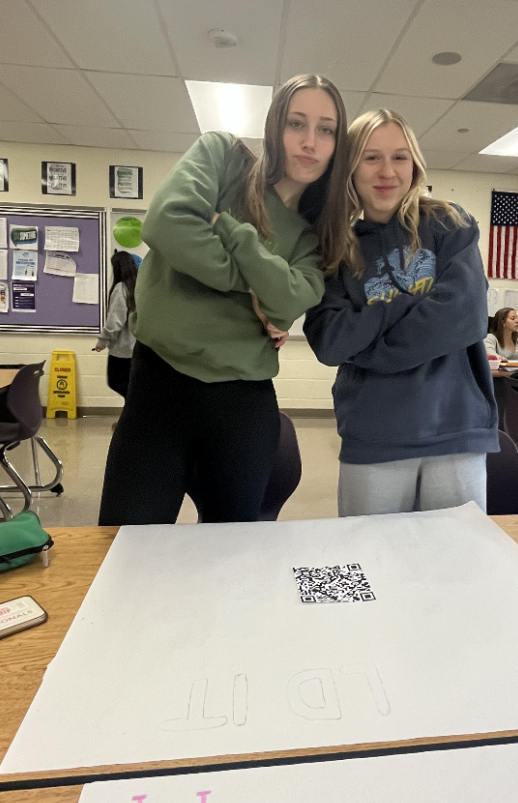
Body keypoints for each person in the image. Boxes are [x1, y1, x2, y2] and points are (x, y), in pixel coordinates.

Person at [98, 74, 352, 526]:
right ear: (274, 126)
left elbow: (287, 303)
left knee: (230, 555)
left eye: (326, 129)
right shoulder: (221, 156)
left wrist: (230, 234)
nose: (310, 141)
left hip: (242, 406)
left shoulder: (313, 237)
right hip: (158, 387)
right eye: (296, 123)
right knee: (122, 545)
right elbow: (166, 224)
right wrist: (254, 284)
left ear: (337, 145)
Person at [303, 107, 498, 517]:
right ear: (350, 168)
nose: (387, 171)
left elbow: (465, 316)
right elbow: (331, 341)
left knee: (452, 555)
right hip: (374, 433)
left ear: (414, 165)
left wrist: (368, 348)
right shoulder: (335, 247)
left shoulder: (448, 223)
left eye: (399, 157)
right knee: (370, 552)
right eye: (371, 157)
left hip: (455, 428)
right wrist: (410, 303)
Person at [92, 249, 138, 399]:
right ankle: (132, 410)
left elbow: (114, 322)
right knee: (131, 385)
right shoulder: (138, 287)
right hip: (137, 348)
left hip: (122, 349)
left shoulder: (121, 289)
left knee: (116, 382)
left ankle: (134, 408)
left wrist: (102, 341)